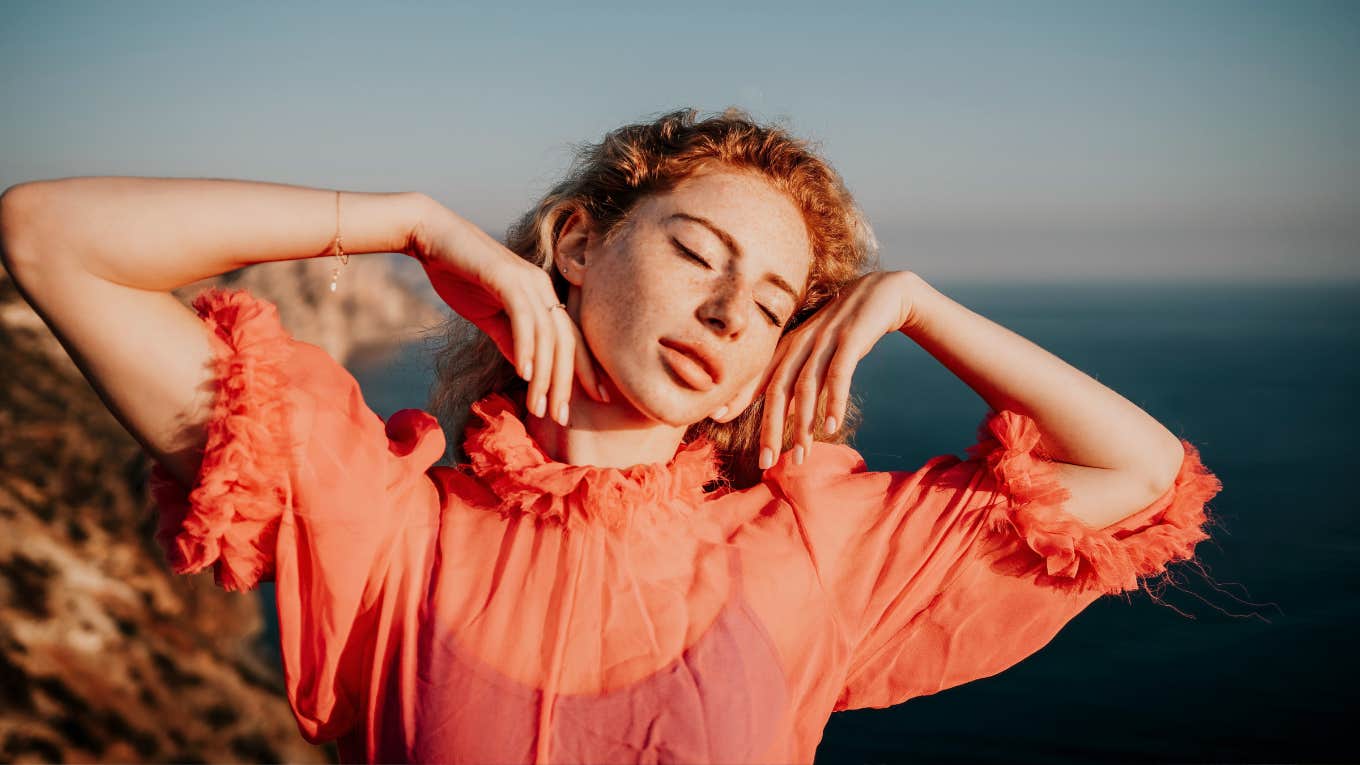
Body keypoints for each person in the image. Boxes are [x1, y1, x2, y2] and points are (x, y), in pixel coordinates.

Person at [0, 107, 1223, 764]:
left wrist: (917, 304)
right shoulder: (389, 529)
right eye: (698, 252)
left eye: (772, 302)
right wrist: (408, 224)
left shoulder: (815, 550)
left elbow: (1144, 474)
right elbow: (52, 234)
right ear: (578, 245)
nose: (727, 309)